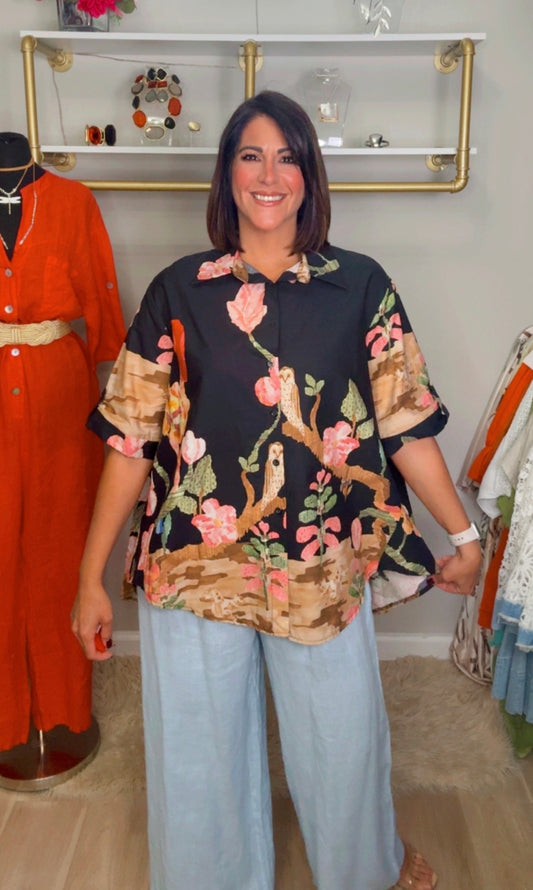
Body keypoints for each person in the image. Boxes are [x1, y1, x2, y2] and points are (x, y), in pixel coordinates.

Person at [72, 91, 481, 890]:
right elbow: (130, 443)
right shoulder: (177, 291)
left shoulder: (359, 286)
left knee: (341, 741)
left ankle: (363, 871)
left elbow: (405, 424)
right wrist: (90, 579)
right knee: (199, 757)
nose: (269, 175)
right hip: (193, 568)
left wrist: (462, 536)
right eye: (251, 156)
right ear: (226, 174)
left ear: (309, 175)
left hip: (320, 562)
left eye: (287, 157)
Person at [0, 132, 125, 754]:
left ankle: (64, 708)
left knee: (62, 542)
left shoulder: (74, 203)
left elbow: (101, 290)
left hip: (58, 392)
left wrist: (117, 375)